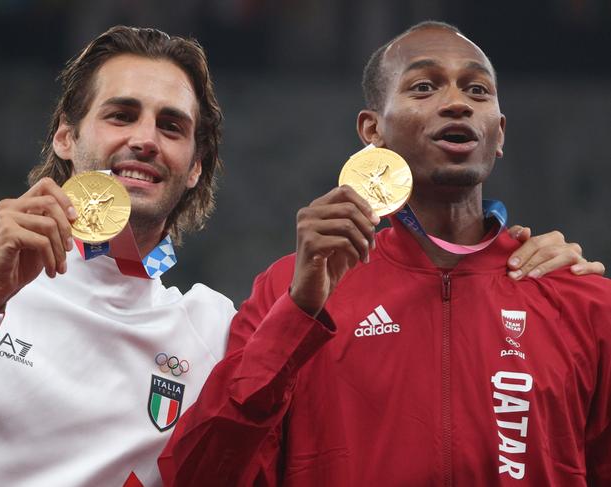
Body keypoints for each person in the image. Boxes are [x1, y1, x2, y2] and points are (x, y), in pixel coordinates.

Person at [158, 21, 611, 486]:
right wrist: (297, 314)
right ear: (372, 129)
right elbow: (200, 475)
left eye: (478, 90)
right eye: (423, 87)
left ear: (499, 133)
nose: (457, 102)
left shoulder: (583, 300)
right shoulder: (292, 291)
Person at [0, 26, 236, 487]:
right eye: (121, 115)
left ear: (195, 168)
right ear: (65, 137)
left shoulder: (213, 331)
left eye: (171, 126)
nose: (146, 139)